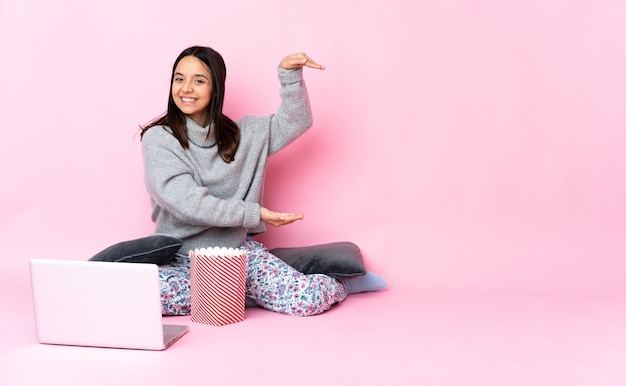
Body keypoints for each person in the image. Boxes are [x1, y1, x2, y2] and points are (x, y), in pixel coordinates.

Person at [140, 46, 385, 317]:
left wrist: (290, 77)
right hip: (180, 260)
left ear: (216, 88)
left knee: (306, 301)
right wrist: (254, 213)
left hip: (236, 254)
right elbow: (187, 202)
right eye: (179, 78)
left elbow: (296, 122)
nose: (186, 88)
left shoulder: (245, 135)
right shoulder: (159, 139)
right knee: (141, 297)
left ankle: (343, 284)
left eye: (199, 80)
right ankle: (239, 294)